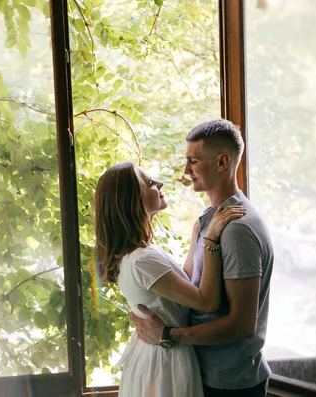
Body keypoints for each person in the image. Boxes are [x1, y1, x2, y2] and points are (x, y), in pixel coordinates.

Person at [130, 119, 274, 397]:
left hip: (230, 384)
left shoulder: (237, 229)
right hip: (205, 376)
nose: (186, 170)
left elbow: (243, 325)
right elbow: (191, 292)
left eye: (193, 161)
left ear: (222, 162)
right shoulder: (208, 222)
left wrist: (167, 336)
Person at [94, 161, 246, 397]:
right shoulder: (141, 259)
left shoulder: (139, 253)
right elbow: (207, 302)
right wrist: (210, 241)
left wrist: (198, 231)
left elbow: (182, 281)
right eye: (150, 183)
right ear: (131, 200)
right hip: (165, 361)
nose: (160, 183)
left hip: (157, 355)